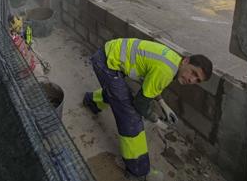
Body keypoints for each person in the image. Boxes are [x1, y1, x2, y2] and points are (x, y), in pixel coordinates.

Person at [83, 38, 213, 180]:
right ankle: (138, 171)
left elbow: (150, 83)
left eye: (197, 80)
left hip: (108, 55)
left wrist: (163, 105)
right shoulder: (166, 70)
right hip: (106, 63)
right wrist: (156, 120)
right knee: (130, 117)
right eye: (193, 73)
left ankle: (92, 102)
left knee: (119, 96)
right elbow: (140, 104)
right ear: (186, 61)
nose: (191, 80)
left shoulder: (173, 61)